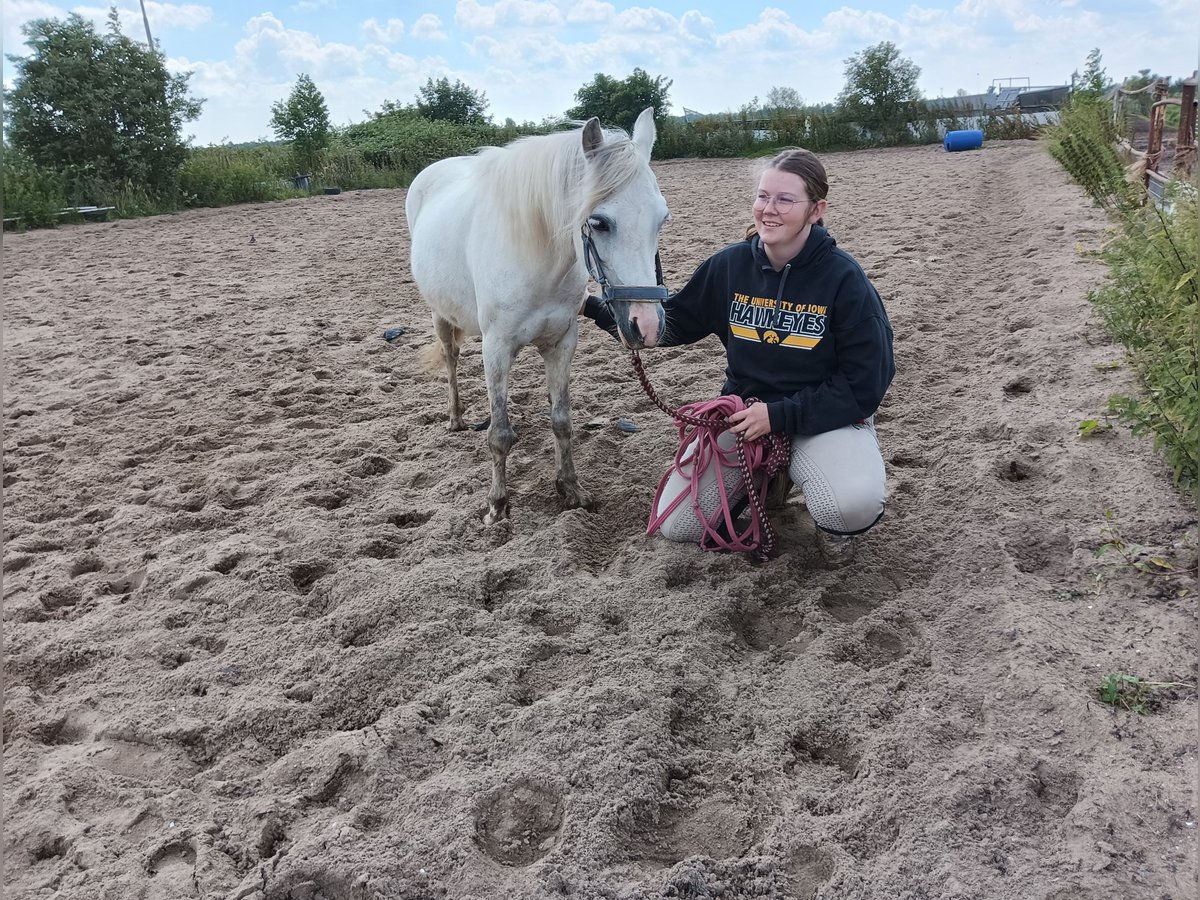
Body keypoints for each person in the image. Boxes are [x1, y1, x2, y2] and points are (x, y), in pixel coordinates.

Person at [582, 148, 895, 565]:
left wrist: (780, 416)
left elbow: (866, 382)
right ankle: (766, 480)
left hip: (824, 417)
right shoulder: (729, 267)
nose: (769, 209)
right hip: (744, 416)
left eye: (785, 200)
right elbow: (673, 322)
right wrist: (596, 309)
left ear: (816, 210)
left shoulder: (844, 280)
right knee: (678, 525)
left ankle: (823, 487)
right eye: (763, 196)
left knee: (848, 506)